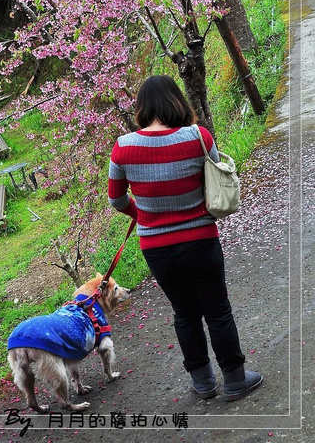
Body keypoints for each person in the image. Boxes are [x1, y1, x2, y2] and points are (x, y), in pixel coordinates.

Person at [108, 75, 263, 401]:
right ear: (177, 101)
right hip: (201, 239)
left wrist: (144, 215)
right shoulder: (199, 137)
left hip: (157, 248)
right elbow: (214, 177)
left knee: (184, 313)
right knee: (217, 310)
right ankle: (235, 380)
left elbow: (116, 200)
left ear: (142, 107)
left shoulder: (122, 147)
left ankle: (203, 382)